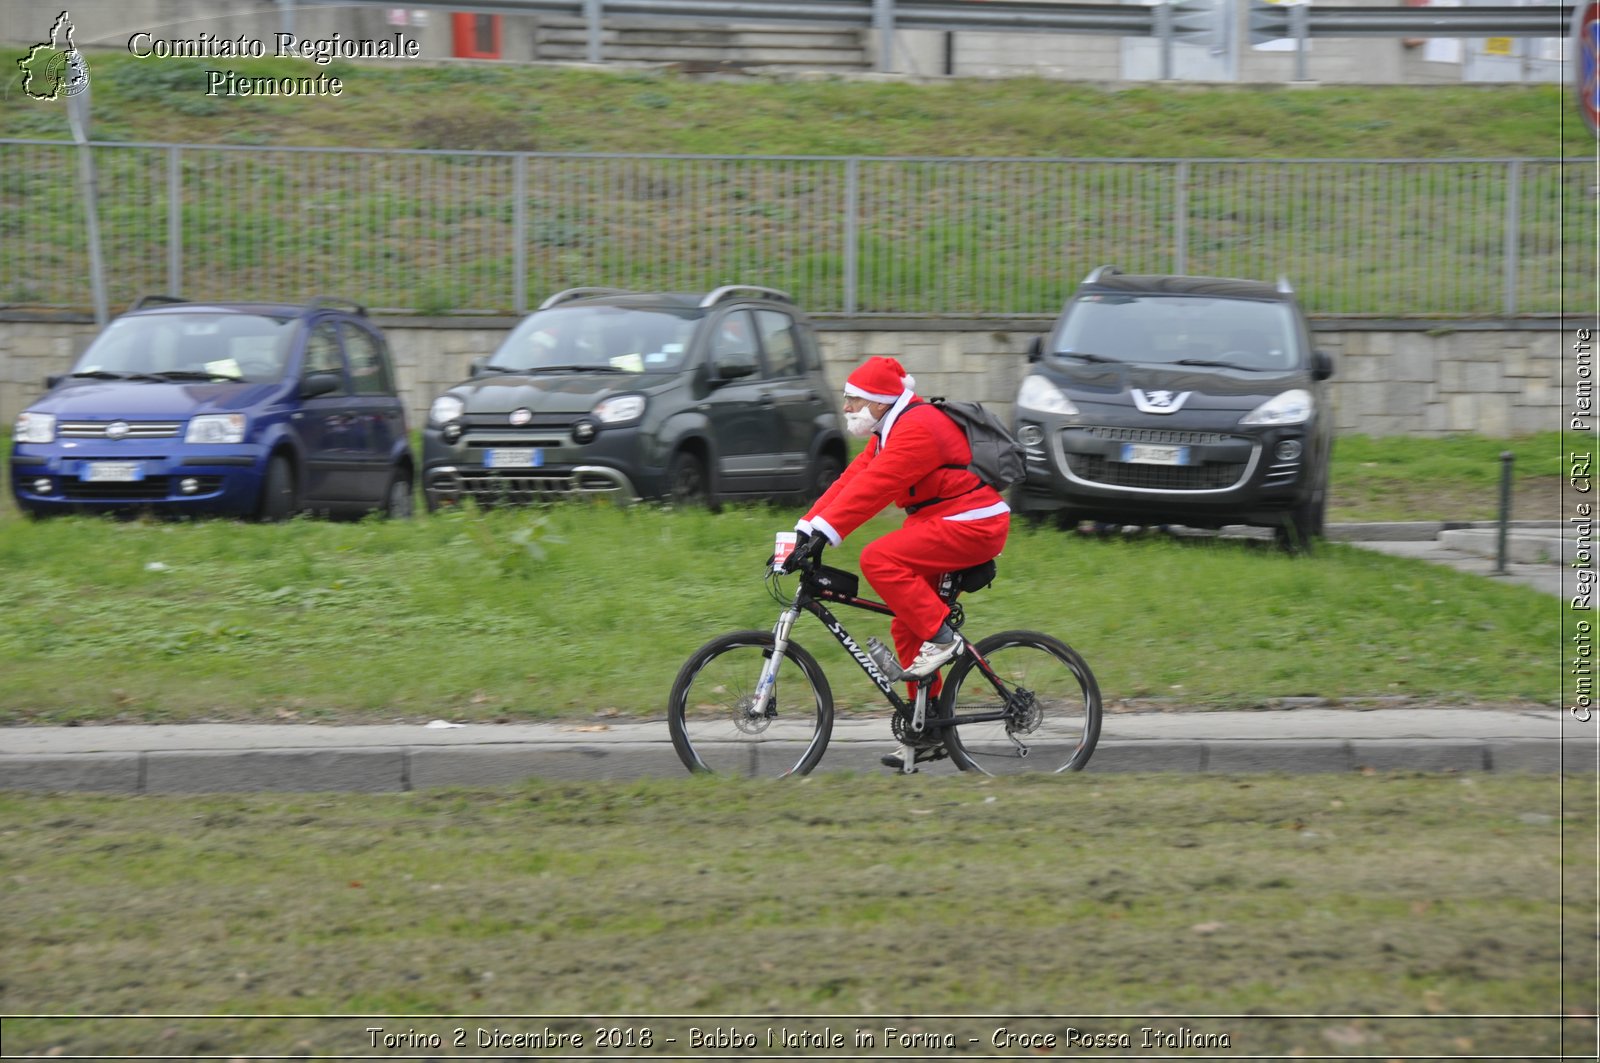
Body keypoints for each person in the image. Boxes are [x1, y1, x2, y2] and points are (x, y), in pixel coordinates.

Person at [783, 356, 1011, 764]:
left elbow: (876, 488)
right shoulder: (890, 430)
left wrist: (826, 535)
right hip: (939, 520)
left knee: (879, 558)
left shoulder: (919, 428)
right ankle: (931, 730)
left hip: (973, 523)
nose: (848, 407)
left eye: (854, 399)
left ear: (880, 401)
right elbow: (851, 480)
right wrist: (806, 530)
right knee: (906, 625)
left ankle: (943, 641)